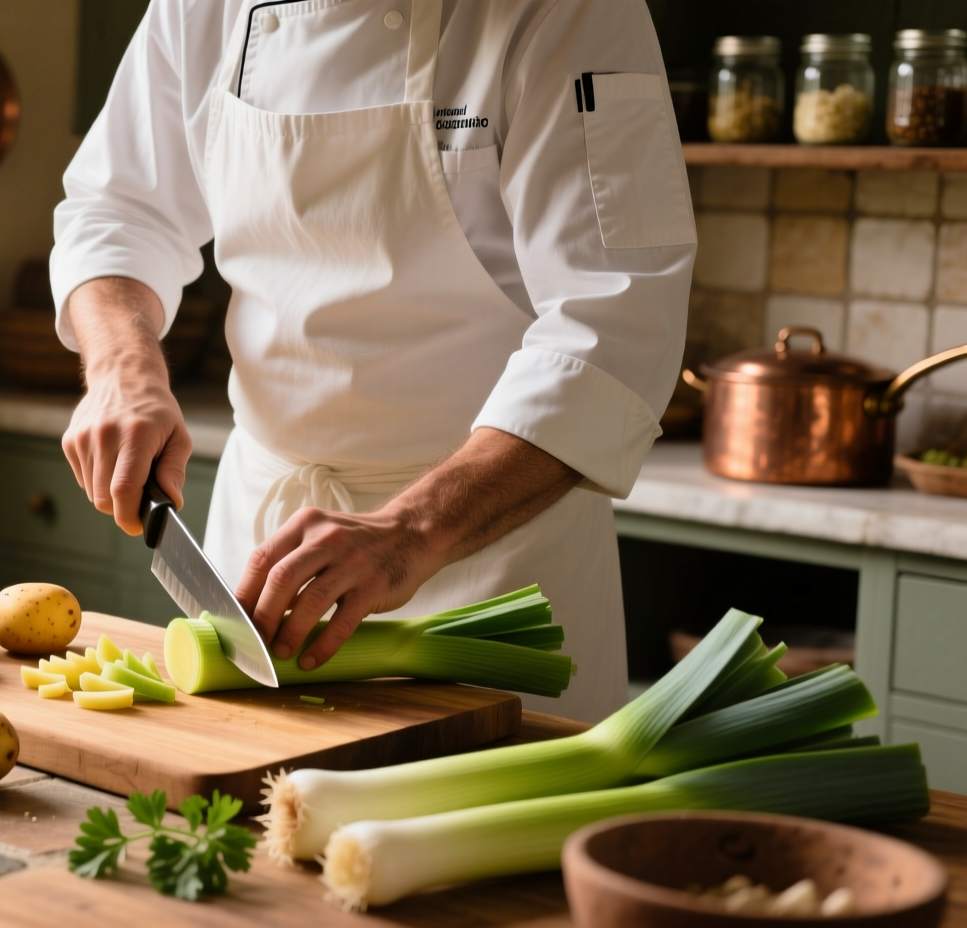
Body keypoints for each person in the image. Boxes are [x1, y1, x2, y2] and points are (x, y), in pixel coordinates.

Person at [50, 0, 695, 722]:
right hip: (264, 545)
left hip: (489, 566)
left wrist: (413, 532)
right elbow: (117, 210)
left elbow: (617, 319)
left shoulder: (570, 11)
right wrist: (120, 366)